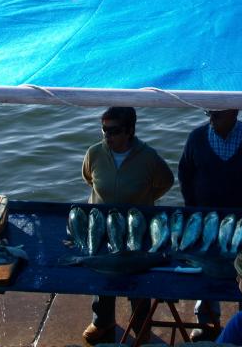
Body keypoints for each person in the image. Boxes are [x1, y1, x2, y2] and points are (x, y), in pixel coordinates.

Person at [179, 109, 242, 340]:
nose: (211, 118)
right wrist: (193, 212)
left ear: (234, 112)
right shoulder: (196, 138)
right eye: (209, 112)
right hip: (206, 221)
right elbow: (185, 175)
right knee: (206, 271)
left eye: (217, 114)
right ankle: (207, 323)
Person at [81, 107, 174, 346]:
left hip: (137, 225)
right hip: (102, 224)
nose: (107, 136)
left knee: (138, 275)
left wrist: (143, 201)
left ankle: (141, 324)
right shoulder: (94, 153)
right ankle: (102, 321)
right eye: (104, 130)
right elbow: (88, 178)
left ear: (130, 131)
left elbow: (166, 182)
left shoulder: (148, 157)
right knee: (103, 271)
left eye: (114, 131)